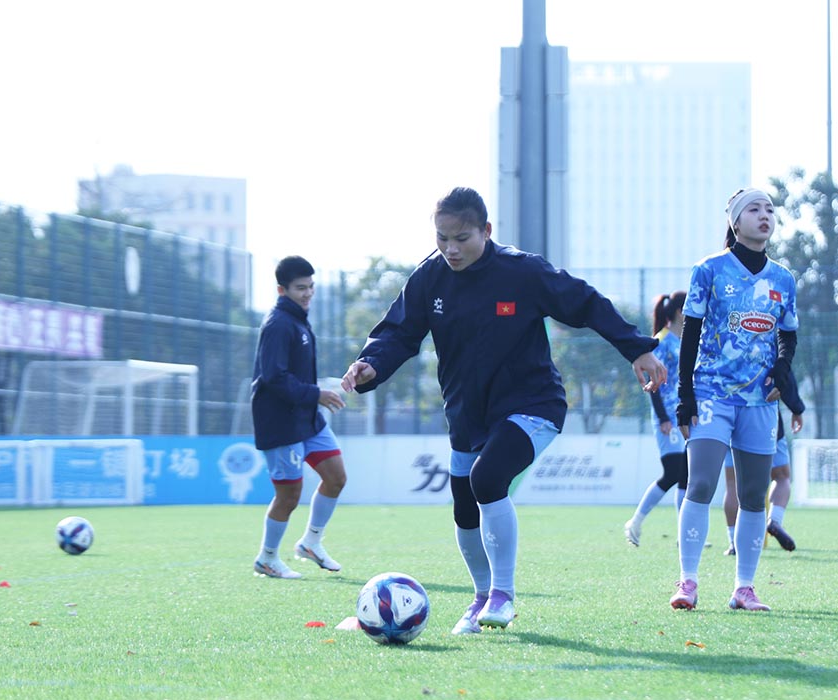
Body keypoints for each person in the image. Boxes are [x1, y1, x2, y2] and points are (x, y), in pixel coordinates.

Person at [340, 187, 666, 633]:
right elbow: (398, 333)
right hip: (466, 413)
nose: (451, 249)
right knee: (464, 507)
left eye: (462, 238)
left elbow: (585, 302)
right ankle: (480, 598)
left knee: (487, 478)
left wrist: (637, 348)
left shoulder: (522, 271)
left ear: (486, 231)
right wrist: (371, 365)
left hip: (533, 404)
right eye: (442, 238)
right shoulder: (429, 278)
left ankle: (502, 595)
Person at [671, 187, 799, 612]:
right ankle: (688, 581)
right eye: (754, 209)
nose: (765, 215)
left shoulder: (783, 278)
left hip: (760, 401)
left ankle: (744, 587)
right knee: (702, 483)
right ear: (735, 221)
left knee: (754, 493)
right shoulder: (709, 269)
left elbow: (788, 335)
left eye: (770, 209)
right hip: (712, 393)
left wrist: (783, 368)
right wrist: (685, 395)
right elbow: (690, 332)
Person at [250, 255, 348, 579]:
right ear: (282, 290)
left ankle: (311, 542)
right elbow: (273, 378)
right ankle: (267, 558)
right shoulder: (278, 324)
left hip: (307, 419)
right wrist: (316, 394)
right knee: (289, 495)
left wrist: (313, 398)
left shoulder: (298, 319)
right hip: (281, 423)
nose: (308, 294)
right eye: (300, 288)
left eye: (310, 287)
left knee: (336, 477)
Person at [624, 291, 689, 546]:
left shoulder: (681, 340)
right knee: (673, 472)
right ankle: (635, 522)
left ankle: (685, 532)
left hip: (681, 416)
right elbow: (653, 384)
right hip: (667, 418)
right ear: (679, 312)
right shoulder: (661, 341)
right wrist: (663, 417)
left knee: (685, 475)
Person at [722, 399, 804, 556]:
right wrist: (797, 409)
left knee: (733, 483)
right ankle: (774, 520)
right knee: (781, 476)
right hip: (762, 415)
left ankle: (733, 542)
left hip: (727, 411)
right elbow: (783, 383)